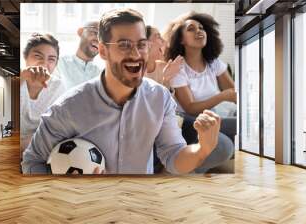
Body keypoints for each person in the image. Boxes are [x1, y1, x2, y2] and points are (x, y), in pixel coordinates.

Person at [22, 8, 222, 175]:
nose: (135, 54)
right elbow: (32, 161)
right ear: (102, 51)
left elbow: (173, 156)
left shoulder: (160, 98)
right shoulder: (68, 107)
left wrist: (202, 150)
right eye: (124, 45)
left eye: (141, 45)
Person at [145, 25, 233, 173]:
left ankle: (191, 166)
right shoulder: (136, 72)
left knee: (235, 128)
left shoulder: (165, 66)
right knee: (225, 145)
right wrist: (166, 80)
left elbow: (169, 104)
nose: (163, 41)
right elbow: (154, 112)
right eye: (158, 37)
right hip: (165, 127)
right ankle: (187, 170)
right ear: (145, 43)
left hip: (177, 120)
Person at [166, 12, 237, 142]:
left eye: (201, 28)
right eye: (191, 29)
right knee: (237, 129)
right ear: (181, 39)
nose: (199, 31)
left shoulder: (213, 62)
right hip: (193, 123)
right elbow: (190, 108)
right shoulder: (178, 69)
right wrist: (222, 96)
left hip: (214, 116)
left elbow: (233, 92)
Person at [20, 33, 66, 152]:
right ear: (25, 57)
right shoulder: (16, 79)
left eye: (51, 59)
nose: (44, 63)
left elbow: (55, 129)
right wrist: (21, 78)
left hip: (38, 147)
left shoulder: (58, 86)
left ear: (56, 64)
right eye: (38, 56)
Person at [57, 21, 102, 90]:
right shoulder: (58, 63)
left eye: (103, 39)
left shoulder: (101, 75)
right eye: (96, 33)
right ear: (81, 32)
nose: (99, 41)